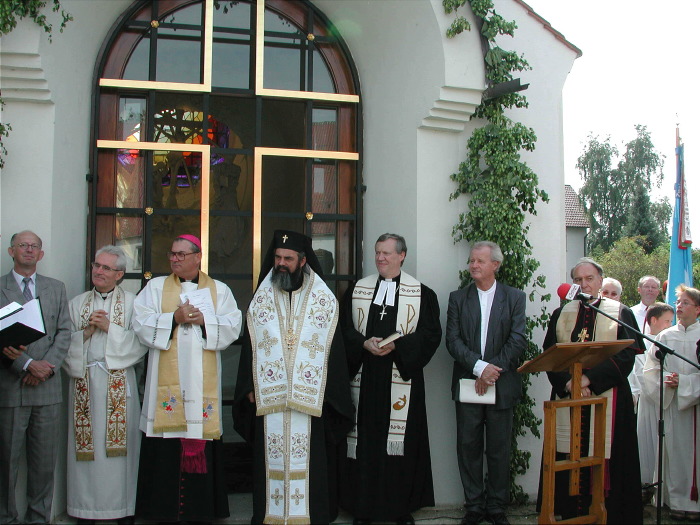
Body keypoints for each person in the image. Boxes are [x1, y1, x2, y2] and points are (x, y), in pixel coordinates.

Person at [233, 230, 354, 525]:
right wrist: (250, 386)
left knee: (312, 462)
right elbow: (251, 345)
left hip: (309, 399)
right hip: (270, 398)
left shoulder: (322, 300)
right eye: (277, 258)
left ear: (302, 261)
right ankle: (270, 514)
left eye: (288, 258)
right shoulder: (262, 299)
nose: (281, 264)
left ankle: (312, 514)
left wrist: (327, 390)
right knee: (269, 461)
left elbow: (334, 351)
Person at [132, 234, 242, 522]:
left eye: (181, 254)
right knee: (165, 447)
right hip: (165, 385)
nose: (175, 259)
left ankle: (202, 510)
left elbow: (233, 325)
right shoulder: (155, 288)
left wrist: (206, 320)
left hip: (202, 384)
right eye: (172, 254)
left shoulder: (219, 290)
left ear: (197, 257)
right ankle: (161, 510)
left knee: (200, 435)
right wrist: (174, 319)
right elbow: (140, 323)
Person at [339, 233, 442, 525]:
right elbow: (343, 329)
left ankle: (399, 509)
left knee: (400, 446)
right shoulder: (358, 290)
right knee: (365, 444)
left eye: (386, 253)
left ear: (402, 256)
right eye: (377, 253)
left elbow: (430, 335)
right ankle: (362, 509)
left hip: (401, 380)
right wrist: (363, 343)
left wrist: (398, 345)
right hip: (366, 378)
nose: (381, 258)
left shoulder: (422, 294)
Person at [537, 257, 644, 524]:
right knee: (566, 453)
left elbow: (626, 356)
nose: (584, 284)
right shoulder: (561, 314)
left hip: (608, 399)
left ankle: (610, 513)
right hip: (568, 398)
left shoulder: (619, 312)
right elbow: (550, 355)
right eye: (578, 279)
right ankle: (571, 511)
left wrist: (589, 381)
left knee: (609, 456)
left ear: (600, 281)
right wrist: (568, 383)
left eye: (589, 279)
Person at [63, 246, 148, 523]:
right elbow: (63, 347)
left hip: (119, 384)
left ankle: (120, 509)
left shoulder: (135, 303)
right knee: (86, 452)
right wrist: (87, 331)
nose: (98, 271)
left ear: (120, 274)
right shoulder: (77, 303)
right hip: (84, 383)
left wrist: (110, 327)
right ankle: (84, 509)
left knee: (117, 455)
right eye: (96, 265)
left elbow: (141, 346)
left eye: (106, 268)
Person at [446, 241, 526, 525]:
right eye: (471, 261)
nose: (473, 265)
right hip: (469, 382)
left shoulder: (515, 297)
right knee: (467, 446)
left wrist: (493, 371)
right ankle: (474, 506)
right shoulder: (458, 298)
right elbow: (452, 341)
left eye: (480, 261)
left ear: (495, 265)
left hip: (501, 385)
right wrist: (480, 368)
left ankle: (496, 508)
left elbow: (517, 339)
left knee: (498, 448)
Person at [0, 230, 71, 523]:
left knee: (44, 465)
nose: (28, 250)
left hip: (47, 390)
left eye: (34, 247)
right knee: (6, 464)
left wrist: (46, 367)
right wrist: (28, 364)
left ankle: (39, 518)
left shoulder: (56, 288)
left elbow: (65, 332)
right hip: (11, 390)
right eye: (22, 246)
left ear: (41, 254)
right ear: (11, 251)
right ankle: (6, 518)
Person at [643, 285, 700, 520]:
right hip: (673, 406)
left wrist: (686, 383)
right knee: (674, 453)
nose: (679, 306)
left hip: (696, 408)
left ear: (698, 309)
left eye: (685, 302)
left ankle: (695, 505)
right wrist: (666, 382)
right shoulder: (666, 336)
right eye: (678, 302)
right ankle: (674, 502)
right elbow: (651, 369)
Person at [636, 302, 674, 501]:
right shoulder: (643, 343)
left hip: (667, 400)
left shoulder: (671, 340)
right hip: (650, 400)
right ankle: (647, 485)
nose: (670, 325)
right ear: (653, 320)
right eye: (667, 321)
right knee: (649, 442)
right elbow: (640, 376)